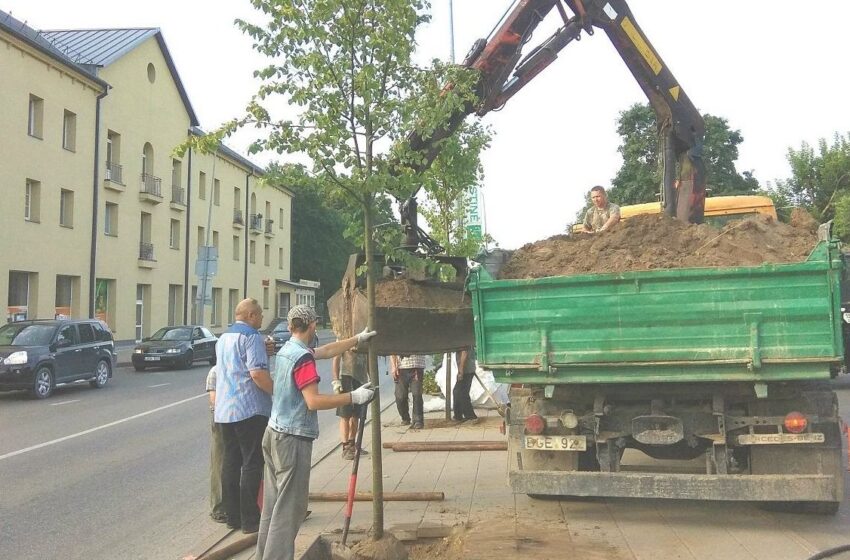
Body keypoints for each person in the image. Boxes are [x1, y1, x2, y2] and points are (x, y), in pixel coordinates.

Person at [255, 305, 377, 560]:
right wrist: (353, 396)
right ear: (312, 326)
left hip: (273, 433)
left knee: (272, 506)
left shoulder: (289, 350)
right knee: (290, 510)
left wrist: (358, 338)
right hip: (292, 440)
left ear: (290, 327)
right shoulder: (302, 359)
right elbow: (313, 401)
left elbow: (326, 350)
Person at [214, 298, 275, 534]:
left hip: (225, 410)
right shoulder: (251, 337)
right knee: (252, 462)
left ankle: (233, 516)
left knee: (231, 462)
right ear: (250, 315)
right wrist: (277, 393)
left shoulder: (224, 338)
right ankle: (251, 519)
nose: (261, 318)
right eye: (259, 314)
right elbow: (258, 374)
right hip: (249, 409)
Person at [332, 348, 370, 460]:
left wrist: (371, 377)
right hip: (346, 377)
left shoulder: (363, 340)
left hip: (361, 379)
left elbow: (368, 360)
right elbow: (336, 359)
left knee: (356, 415)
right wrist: (335, 380)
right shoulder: (344, 337)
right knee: (345, 414)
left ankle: (353, 443)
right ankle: (345, 446)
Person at [205, 366, 226, 523]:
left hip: (238, 418)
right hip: (221, 420)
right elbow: (214, 399)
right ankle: (218, 508)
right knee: (219, 462)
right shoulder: (216, 371)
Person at [390, 354, 427, 429]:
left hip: (417, 366)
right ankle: (405, 418)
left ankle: (418, 421)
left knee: (417, 394)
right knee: (400, 396)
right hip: (400, 368)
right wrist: (393, 366)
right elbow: (393, 349)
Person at [452, 346, 478, 422]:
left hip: (466, 370)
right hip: (469, 369)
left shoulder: (462, 341)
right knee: (459, 392)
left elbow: (464, 353)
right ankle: (458, 416)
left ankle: (470, 416)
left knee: (461, 393)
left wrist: (461, 370)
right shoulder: (466, 340)